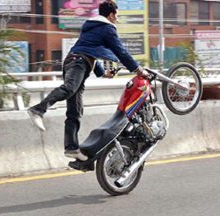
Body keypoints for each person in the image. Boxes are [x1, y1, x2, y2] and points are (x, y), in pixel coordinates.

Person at [27, 1, 147, 161]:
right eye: (117, 16)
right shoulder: (107, 28)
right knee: (69, 88)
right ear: (111, 15)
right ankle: (37, 110)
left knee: (75, 111)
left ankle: (71, 148)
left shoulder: (92, 26)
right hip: (78, 62)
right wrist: (137, 69)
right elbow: (120, 51)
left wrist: (102, 73)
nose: (117, 19)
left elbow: (89, 49)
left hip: (75, 60)